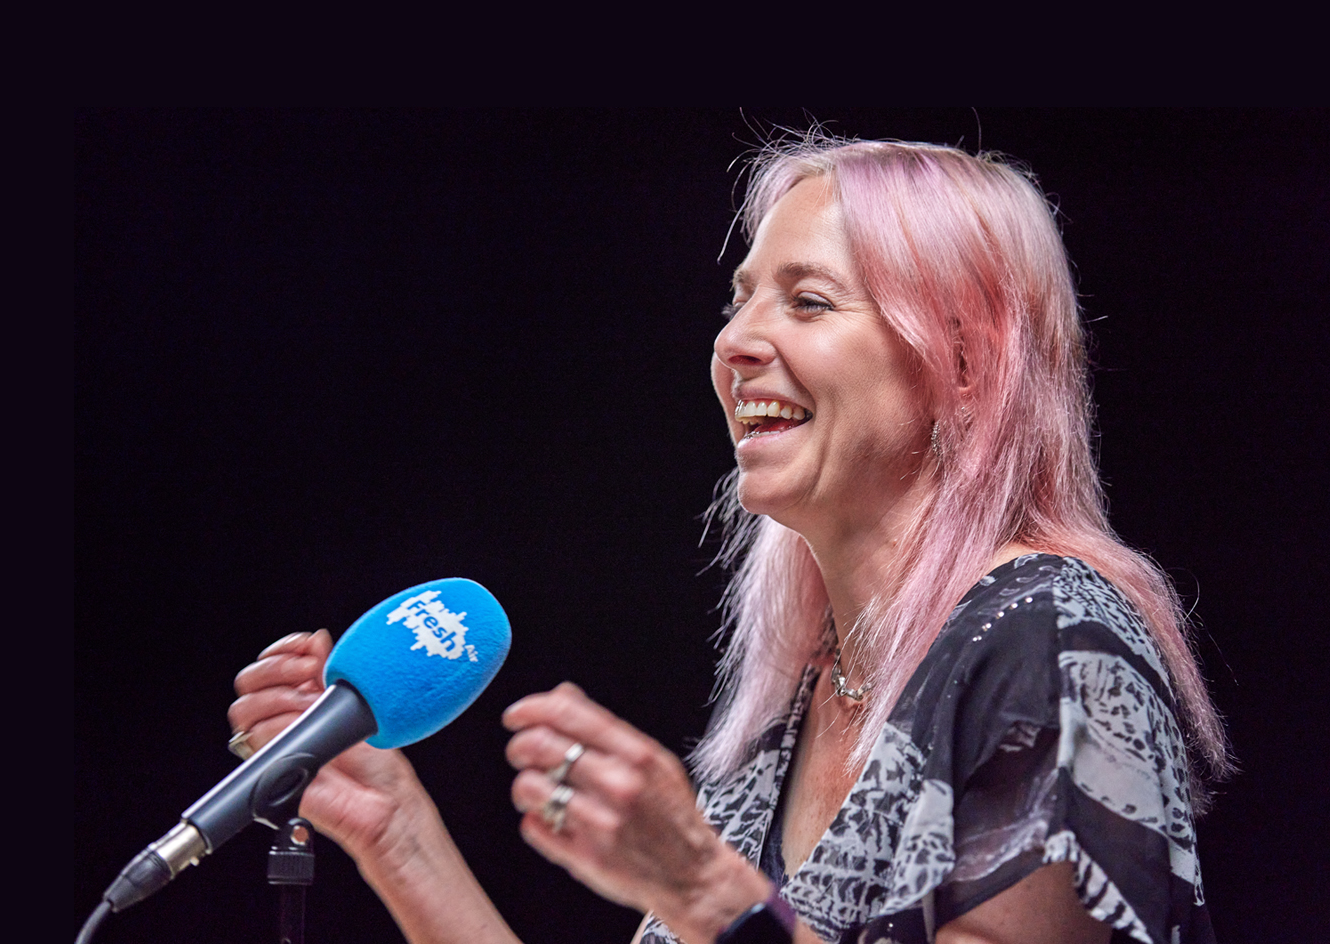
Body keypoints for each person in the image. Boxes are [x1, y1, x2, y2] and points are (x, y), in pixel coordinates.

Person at [228, 138, 1230, 944]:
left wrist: (708, 891)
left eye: (807, 300)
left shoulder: (1052, 639)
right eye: (741, 297)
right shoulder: (798, 708)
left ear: (962, 364)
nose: (736, 341)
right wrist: (399, 839)